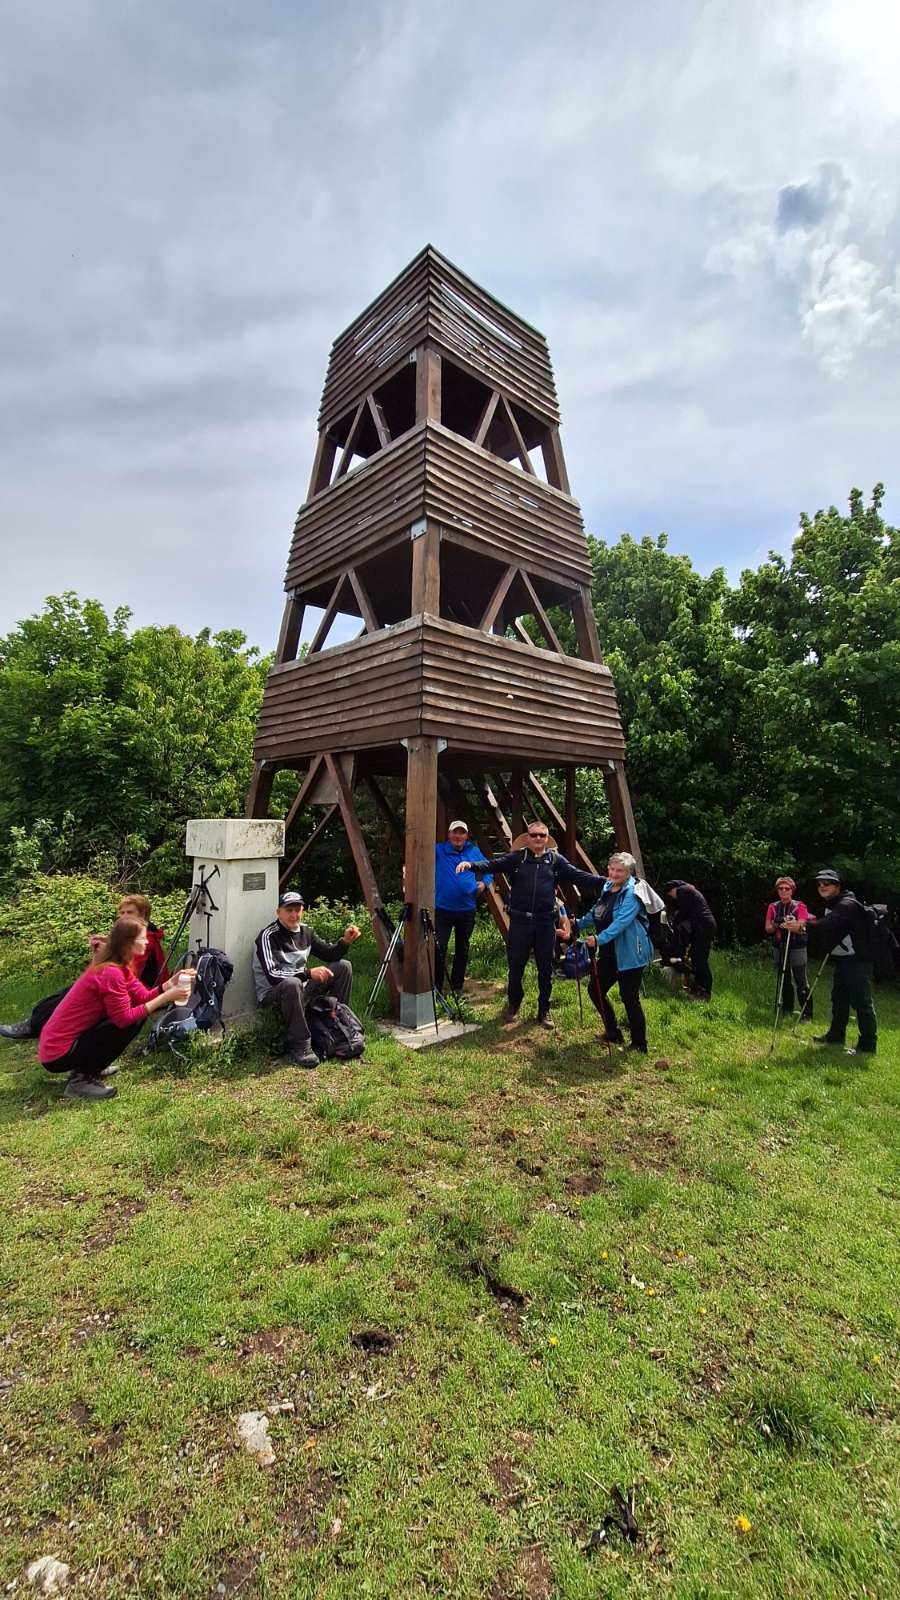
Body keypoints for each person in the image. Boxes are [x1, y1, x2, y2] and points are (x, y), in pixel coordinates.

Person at [456, 822, 603, 1028]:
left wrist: (605, 881)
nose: (538, 839)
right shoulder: (517, 858)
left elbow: (579, 876)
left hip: (545, 923)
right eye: (534, 835)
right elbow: (493, 865)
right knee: (516, 966)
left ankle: (544, 1010)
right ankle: (514, 1003)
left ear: (547, 838)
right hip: (520, 922)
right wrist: (471, 865)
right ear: (528, 838)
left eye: (542, 835)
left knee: (546, 968)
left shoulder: (556, 861)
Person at [37, 916, 189, 1100]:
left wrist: (169, 984)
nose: (147, 942)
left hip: (59, 1046)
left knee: (138, 1013)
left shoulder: (119, 967)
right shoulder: (111, 973)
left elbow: (143, 996)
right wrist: (166, 997)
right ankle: (81, 1079)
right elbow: (124, 1019)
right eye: (143, 938)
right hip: (57, 1053)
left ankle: (89, 1067)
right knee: (132, 1021)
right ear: (128, 942)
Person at [0, 893, 168, 1041]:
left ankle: (33, 1026)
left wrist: (105, 953)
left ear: (143, 915)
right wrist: (107, 946)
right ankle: (37, 1024)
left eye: (129, 913)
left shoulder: (144, 940)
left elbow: (127, 972)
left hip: (143, 988)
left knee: (74, 993)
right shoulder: (136, 935)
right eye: (122, 913)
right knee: (75, 990)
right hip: (134, 986)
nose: (123, 917)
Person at [252, 890, 361, 1067]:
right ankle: (301, 1045)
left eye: (298, 910)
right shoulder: (267, 936)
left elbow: (329, 954)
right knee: (292, 983)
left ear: (303, 911)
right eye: (289, 910)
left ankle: (337, 1025)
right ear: (278, 912)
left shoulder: (306, 932)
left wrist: (345, 942)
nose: (294, 915)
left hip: (301, 989)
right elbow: (273, 975)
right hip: (274, 997)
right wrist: (308, 974)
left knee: (343, 966)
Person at [783, 868, 877, 1056]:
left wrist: (800, 927)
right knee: (839, 998)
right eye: (819, 884)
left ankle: (868, 1044)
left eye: (827, 883)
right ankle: (836, 1035)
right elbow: (821, 922)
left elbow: (825, 926)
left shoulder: (847, 904)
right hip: (843, 959)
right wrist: (801, 921)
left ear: (837, 886)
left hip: (858, 960)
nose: (822, 886)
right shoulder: (833, 903)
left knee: (861, 1001)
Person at [575, 852, 653, 1054]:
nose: (614, 874)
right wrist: (578, 924)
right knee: (595, 989)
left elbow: (621, 923)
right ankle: (613, 1032)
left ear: (628, 873)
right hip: (610, 952)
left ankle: (639, 1044)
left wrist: (598, 939)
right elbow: (597, 911)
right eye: (612, 869)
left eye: (620, 871)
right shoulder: (608, 887)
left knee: (629, 997)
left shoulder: (633, 893)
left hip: (631, 952)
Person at [433, 821, 492, 996]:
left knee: (462, 949)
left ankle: (457, 986)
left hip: (466, 909)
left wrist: (484, 883)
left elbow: (489, 868)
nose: (458, 836)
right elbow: (417, 859)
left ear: (466, 836)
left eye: (462, 833)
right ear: (449, 834)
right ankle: (436, 987)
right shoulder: (438, 850)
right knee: (439, 948)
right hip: (443, 908)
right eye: (455, 832)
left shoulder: (473, 851)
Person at [765, 876, 812, 1021]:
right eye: (781, 888)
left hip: (797, 946)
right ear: (777, 890)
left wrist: (792, 924)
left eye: (787, 888)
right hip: (779, 945)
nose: (784, 891)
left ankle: (807, 1013)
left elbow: (802, 926)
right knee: (784, 977)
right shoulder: (773, 907)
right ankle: (787, 1009)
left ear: (792, 890)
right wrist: (777, 924)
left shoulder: (799, 906)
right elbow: (768, 928)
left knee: (800, 979)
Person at [661, 880, 717, 999]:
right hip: (706, 925)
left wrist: (673, 924)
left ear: (672, 889)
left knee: (700, 960)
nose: (673, 898)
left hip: (703, 926)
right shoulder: (689, 890)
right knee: (696, 957)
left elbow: (683, 913)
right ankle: (698, 988)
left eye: (671, 895)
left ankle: (705, 991)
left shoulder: (681, 891)